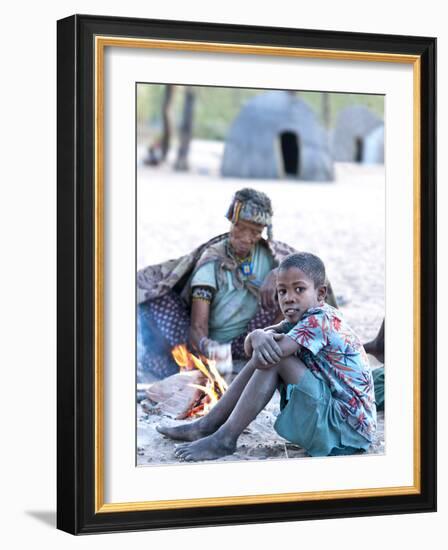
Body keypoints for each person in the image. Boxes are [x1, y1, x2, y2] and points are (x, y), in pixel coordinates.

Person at [158, 252, 377, 461]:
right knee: (267, 354)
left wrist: (258, 337)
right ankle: (207, 425)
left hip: (346, 431)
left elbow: (272, 353)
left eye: (299, 289)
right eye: (282, 291)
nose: (289, 298)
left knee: (273, 358)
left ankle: (224, 437)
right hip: (337, 417)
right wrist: (257, 335)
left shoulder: (320, 320)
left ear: (320, 294)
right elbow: (251, 349)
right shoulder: (300, 319)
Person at [137, 188, 338, 379]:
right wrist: (213, 351)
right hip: (209, 345)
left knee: (295, 290)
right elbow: (198, 328)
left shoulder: (272, 255)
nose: (245, 238)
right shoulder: (213, 260)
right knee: (158, 302)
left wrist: (278, 275)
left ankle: (272, 354)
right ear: (232, 223)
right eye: (240, 227)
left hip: (252, 340)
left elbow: (308, 273)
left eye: (255, 232)